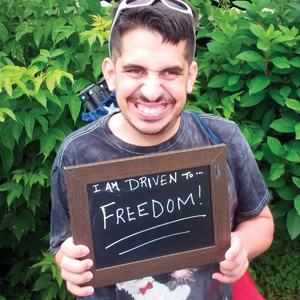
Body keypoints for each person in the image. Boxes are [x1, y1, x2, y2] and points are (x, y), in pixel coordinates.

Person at [50, 0, 274, 299]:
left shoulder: (222, 138)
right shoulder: (77, 153)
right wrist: (69, 262)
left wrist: (239, 247)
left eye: (170, 72)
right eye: (135, 70)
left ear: (190, 76)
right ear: (111, 73)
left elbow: (260, 221)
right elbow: (63, 245)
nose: (152, 91)